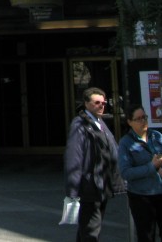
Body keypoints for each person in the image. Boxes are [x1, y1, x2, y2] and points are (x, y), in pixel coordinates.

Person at [64, 86, 125, 242]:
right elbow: (74, 156)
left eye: (103, 103)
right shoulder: (80, 124)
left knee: (89, 228)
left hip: (102, 184)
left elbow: (112, 150)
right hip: (90, 185)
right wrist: (73, 189)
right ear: (86, 103)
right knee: (90, 228)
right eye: (96, 102)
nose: (101, 106)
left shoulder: (100, 123)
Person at [118, 104, 162, 242]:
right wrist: (151, 166)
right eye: (139, 119)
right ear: (130, 122)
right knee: (146, 236)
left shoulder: (156, 136)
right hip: (142, 196)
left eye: (145, 117)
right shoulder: (125, 143)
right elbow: (126, 173)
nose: (143, 121)